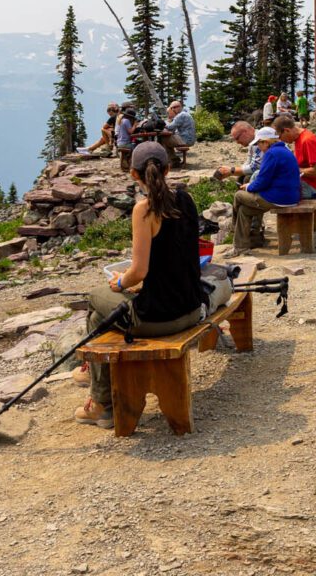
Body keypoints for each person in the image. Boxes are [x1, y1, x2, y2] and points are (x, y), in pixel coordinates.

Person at [73, 142, 229, 427]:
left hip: (161, 318)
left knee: (95, 297)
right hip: (191, 307)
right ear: (167, 169)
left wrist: (121, 281)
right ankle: (99, 392)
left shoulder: (144, 210)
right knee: (98, 319)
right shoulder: (185, 199)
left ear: (134, 174)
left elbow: (139, 271)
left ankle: (102, 401)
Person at [227, 127, 299, 255]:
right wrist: (251, 185)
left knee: (238, 195)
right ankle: (241, 247)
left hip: (279, 198)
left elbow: (263, 181)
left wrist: (248, 187)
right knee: (244, 210)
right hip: (291, 196)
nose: (258, 147)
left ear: (266, 142)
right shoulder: (283, 150)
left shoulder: (271, 154)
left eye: (258, 143)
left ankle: (233, 228)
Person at [273, 114, 316, 201]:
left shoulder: (307, 140)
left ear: (286, 130)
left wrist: (293, 169)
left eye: (280, 136)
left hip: (308, 187)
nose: (281, 140)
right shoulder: (298, 139)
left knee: (270, 187)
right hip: (301, 182)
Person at [114, 105, 137, 174]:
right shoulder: (127, 121)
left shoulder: (121, 120)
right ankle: (133, 164)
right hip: (125, 144)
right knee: (137, 146)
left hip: (119, 143)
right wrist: (135, 125)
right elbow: (130, 132)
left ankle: (126, 163)